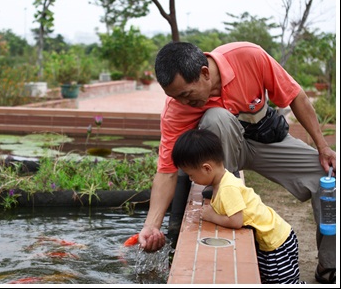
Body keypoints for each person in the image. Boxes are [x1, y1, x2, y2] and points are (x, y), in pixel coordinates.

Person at [137, 41, 336, 284]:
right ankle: (227, 198)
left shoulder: (248, 57)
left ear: (205, 73)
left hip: (266, 139)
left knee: (331, 177)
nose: (182, 103)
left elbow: (295, 96)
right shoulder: (176, 108)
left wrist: (323, 147)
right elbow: (167, 171)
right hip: (223, 159)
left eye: (186, 94)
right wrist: (151, 225)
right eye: (175, 97)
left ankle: (330, 268)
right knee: (216, 118)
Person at [172, 128, 306, 284]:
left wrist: (211, 216)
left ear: (207, 168)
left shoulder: (228, 188)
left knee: (281, 282)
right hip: (269, 240)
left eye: (191, 174)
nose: (191, 179)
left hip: (276, 243)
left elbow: (236, 221)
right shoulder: (221, 181)